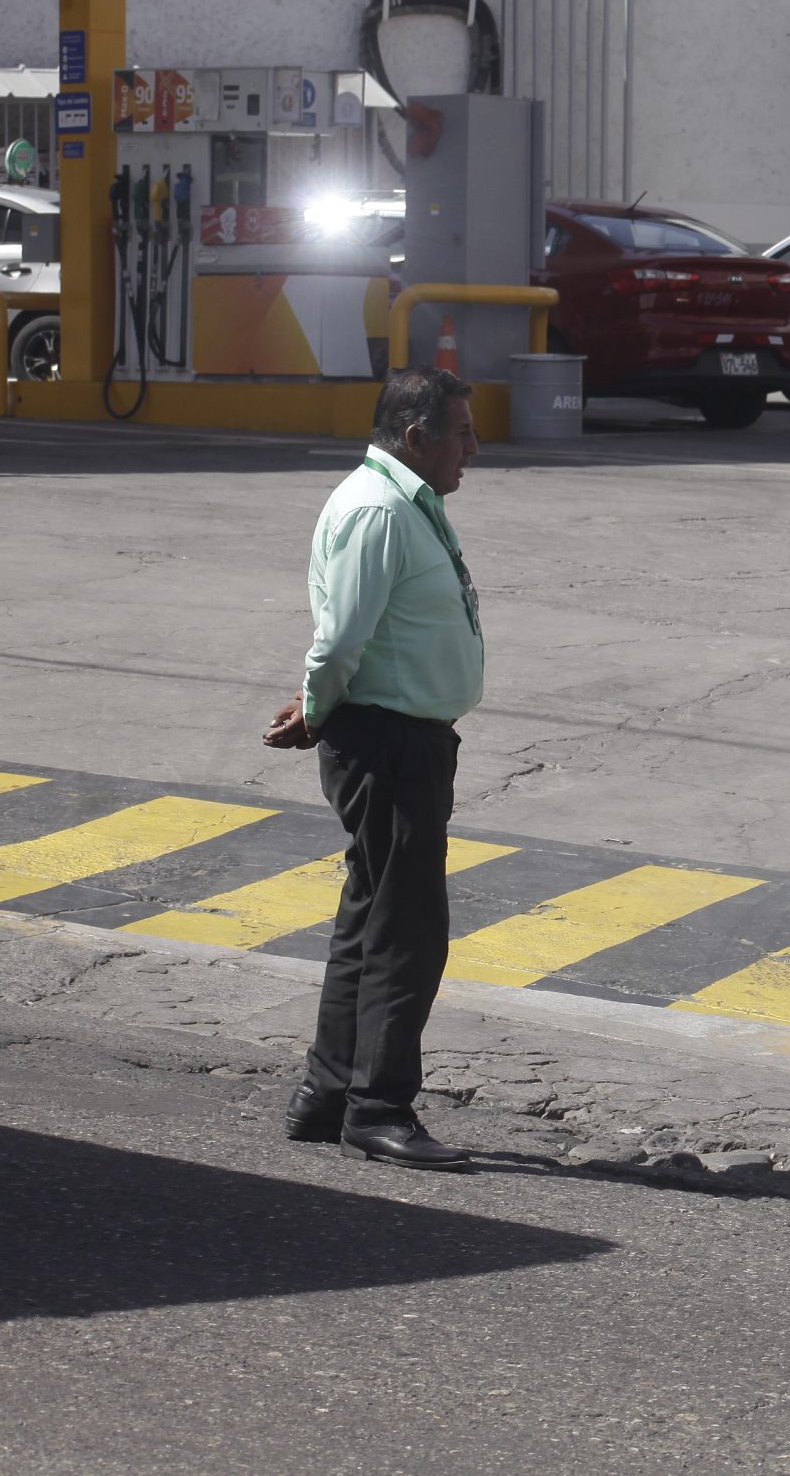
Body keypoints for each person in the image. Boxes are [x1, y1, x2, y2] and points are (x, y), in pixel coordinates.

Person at [262, 368, 485, 1170]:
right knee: (407, 931)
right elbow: (341, 637)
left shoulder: (404, 503)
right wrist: (317, 707)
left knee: (371, 915)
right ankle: (378, 1106)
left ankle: (328, 1093)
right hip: (388, 740)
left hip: (404, 735)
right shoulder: (378, 509)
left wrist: (320, 702)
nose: (473, 447)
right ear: (417, 435)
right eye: (461, 431)